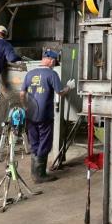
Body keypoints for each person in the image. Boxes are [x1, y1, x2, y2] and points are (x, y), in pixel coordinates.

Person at [20, 50, 74, 183]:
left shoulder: (30, 73)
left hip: (30, 113)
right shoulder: (52, 74)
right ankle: (40, 175)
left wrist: (25, 107)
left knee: (34, 142)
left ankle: (34, 173)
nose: (54, 64)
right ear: (51, 60)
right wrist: (69, 87)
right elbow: (60, 92)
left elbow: (22, 93)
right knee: (44, 142)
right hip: (45, 114)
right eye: (54, 62)